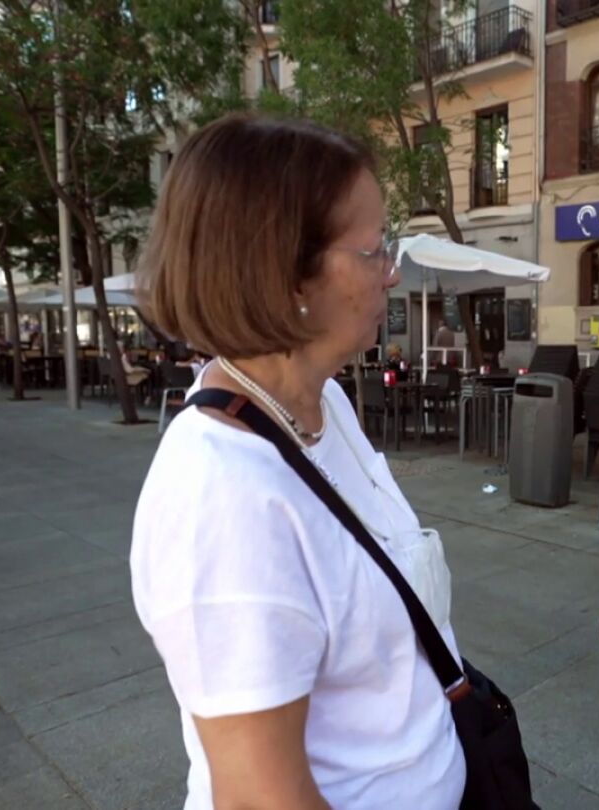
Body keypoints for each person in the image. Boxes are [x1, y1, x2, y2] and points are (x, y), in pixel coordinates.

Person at [131, 116, 465, 810]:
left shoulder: (324, 402)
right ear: (286, 276)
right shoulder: (224, 499)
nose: (392, 272)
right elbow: (260, 797)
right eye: (373, 250)